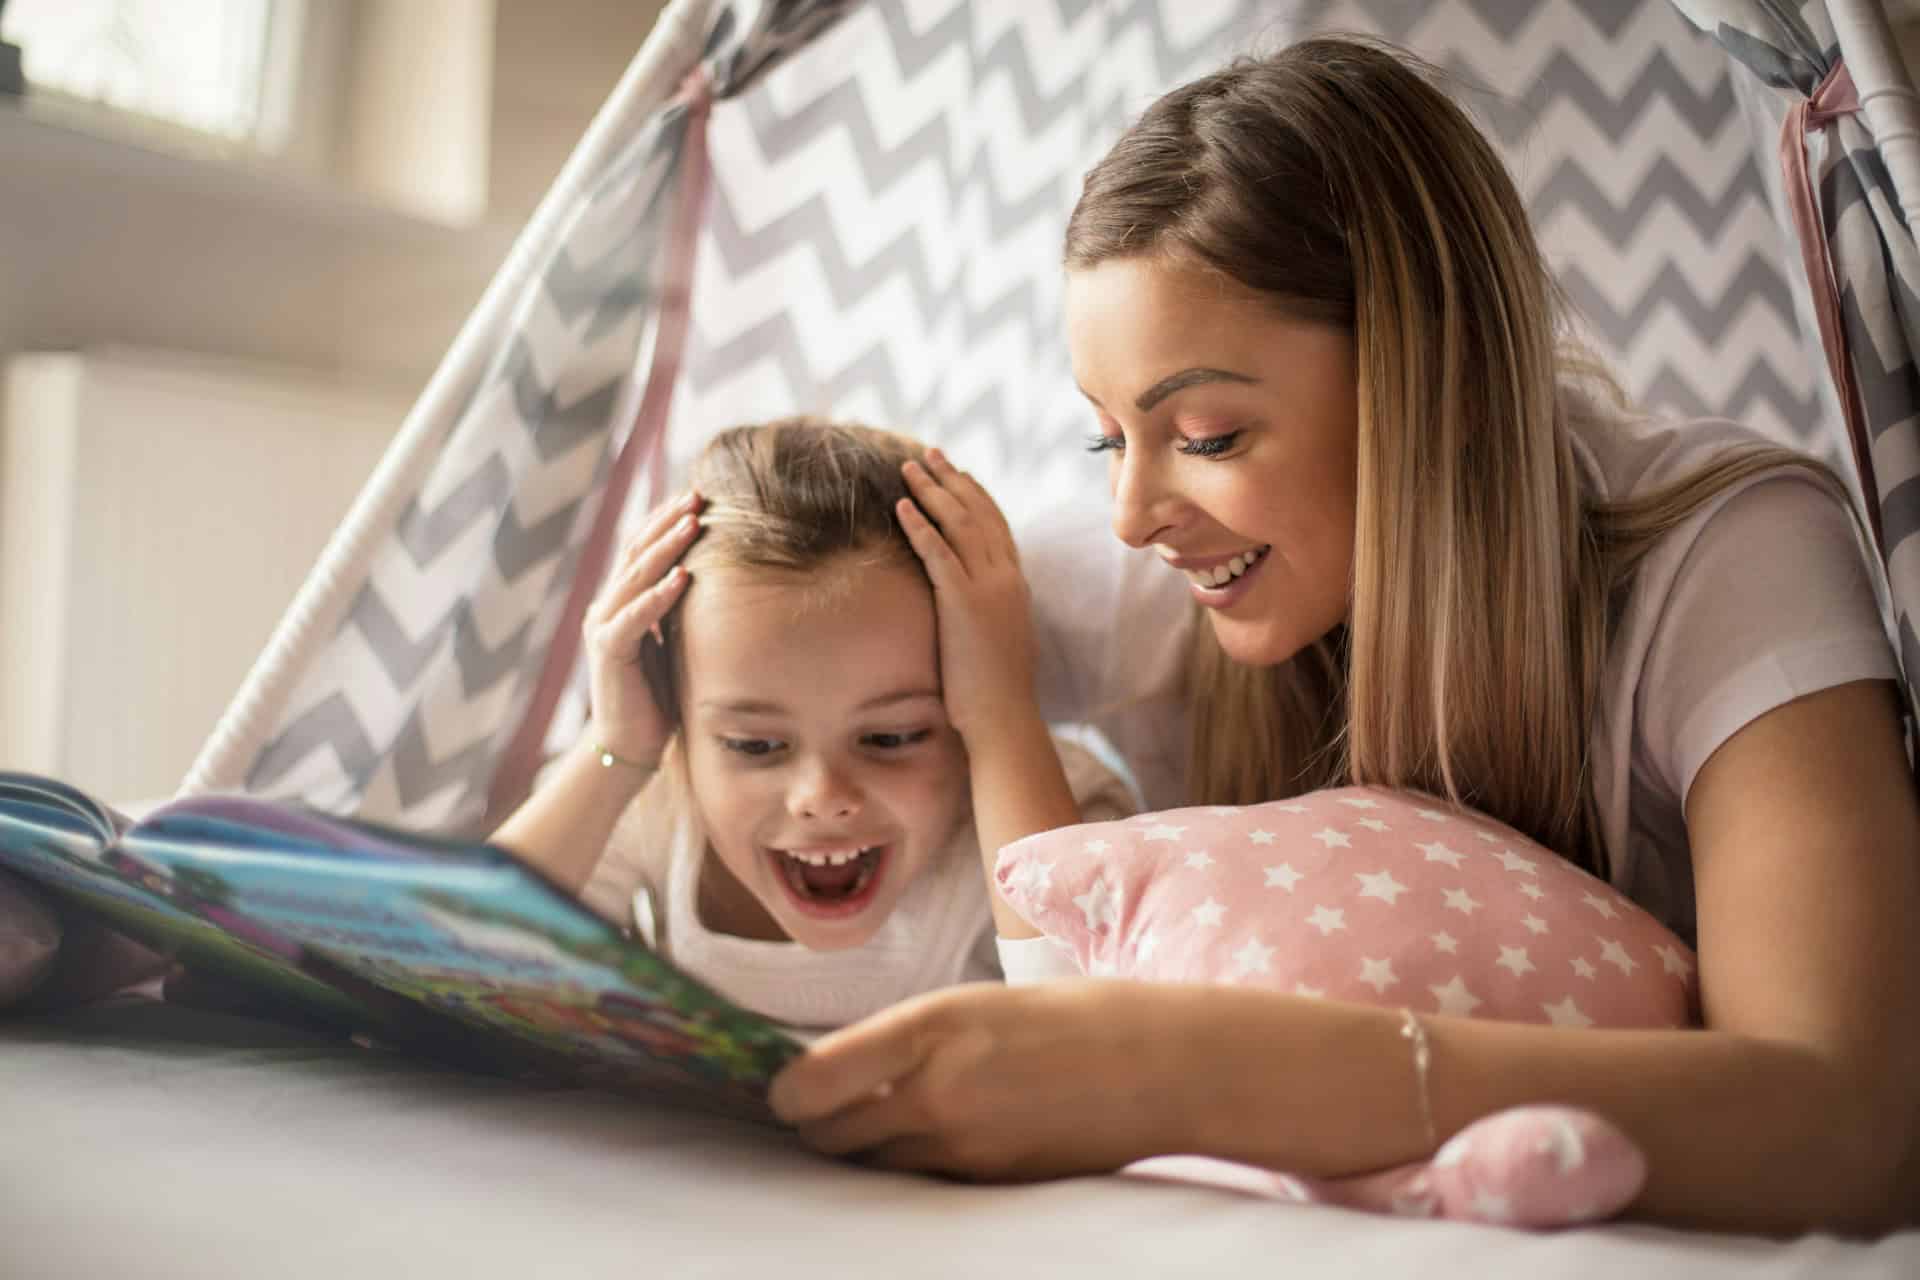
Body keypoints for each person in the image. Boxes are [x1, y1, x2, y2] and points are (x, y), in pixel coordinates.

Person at [763, 38, 1920, 1234]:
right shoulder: (1175, 566)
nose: (1133, 513)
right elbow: (801, 636)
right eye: (1108, 436)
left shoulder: (1728, 553)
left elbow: (1855, 1124)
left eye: (1207, 433)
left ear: (1429, 382)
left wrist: (1186, 1071)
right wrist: (621, 739)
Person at [491, 417, 1132, 1030]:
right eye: (756, 745)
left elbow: (1086, 1025)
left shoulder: (1050, 813)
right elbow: (458, 971)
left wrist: (1003, 718)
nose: (822, 797)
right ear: (677, 725)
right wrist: (618, 749)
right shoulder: (650, 796)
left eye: (891, 738)